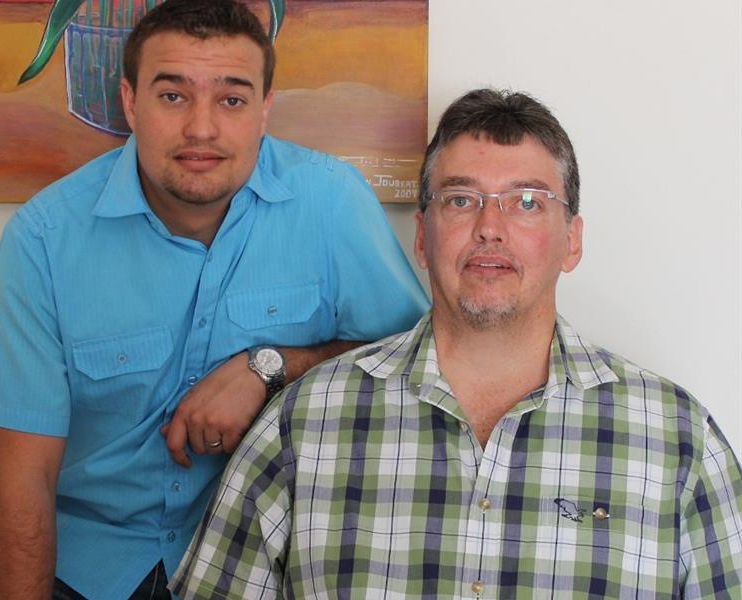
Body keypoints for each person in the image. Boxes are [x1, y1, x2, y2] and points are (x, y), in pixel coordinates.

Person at [171, 88, 742, 599]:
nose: (490, 226)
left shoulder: (678, 442)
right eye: (461, 199)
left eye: (527, 201)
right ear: (422, 237)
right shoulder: (302, 424)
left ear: (572, 241)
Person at [0, 0, 429, 598]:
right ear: (130, 102)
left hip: (277, 563)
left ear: (265, 109)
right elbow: (22, 482)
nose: (201, 129)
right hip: (96, 569)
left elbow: (417, 360)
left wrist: (271, 367)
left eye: (231, 99)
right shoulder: (44, 240)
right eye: (173, 96)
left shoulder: (332, 201)